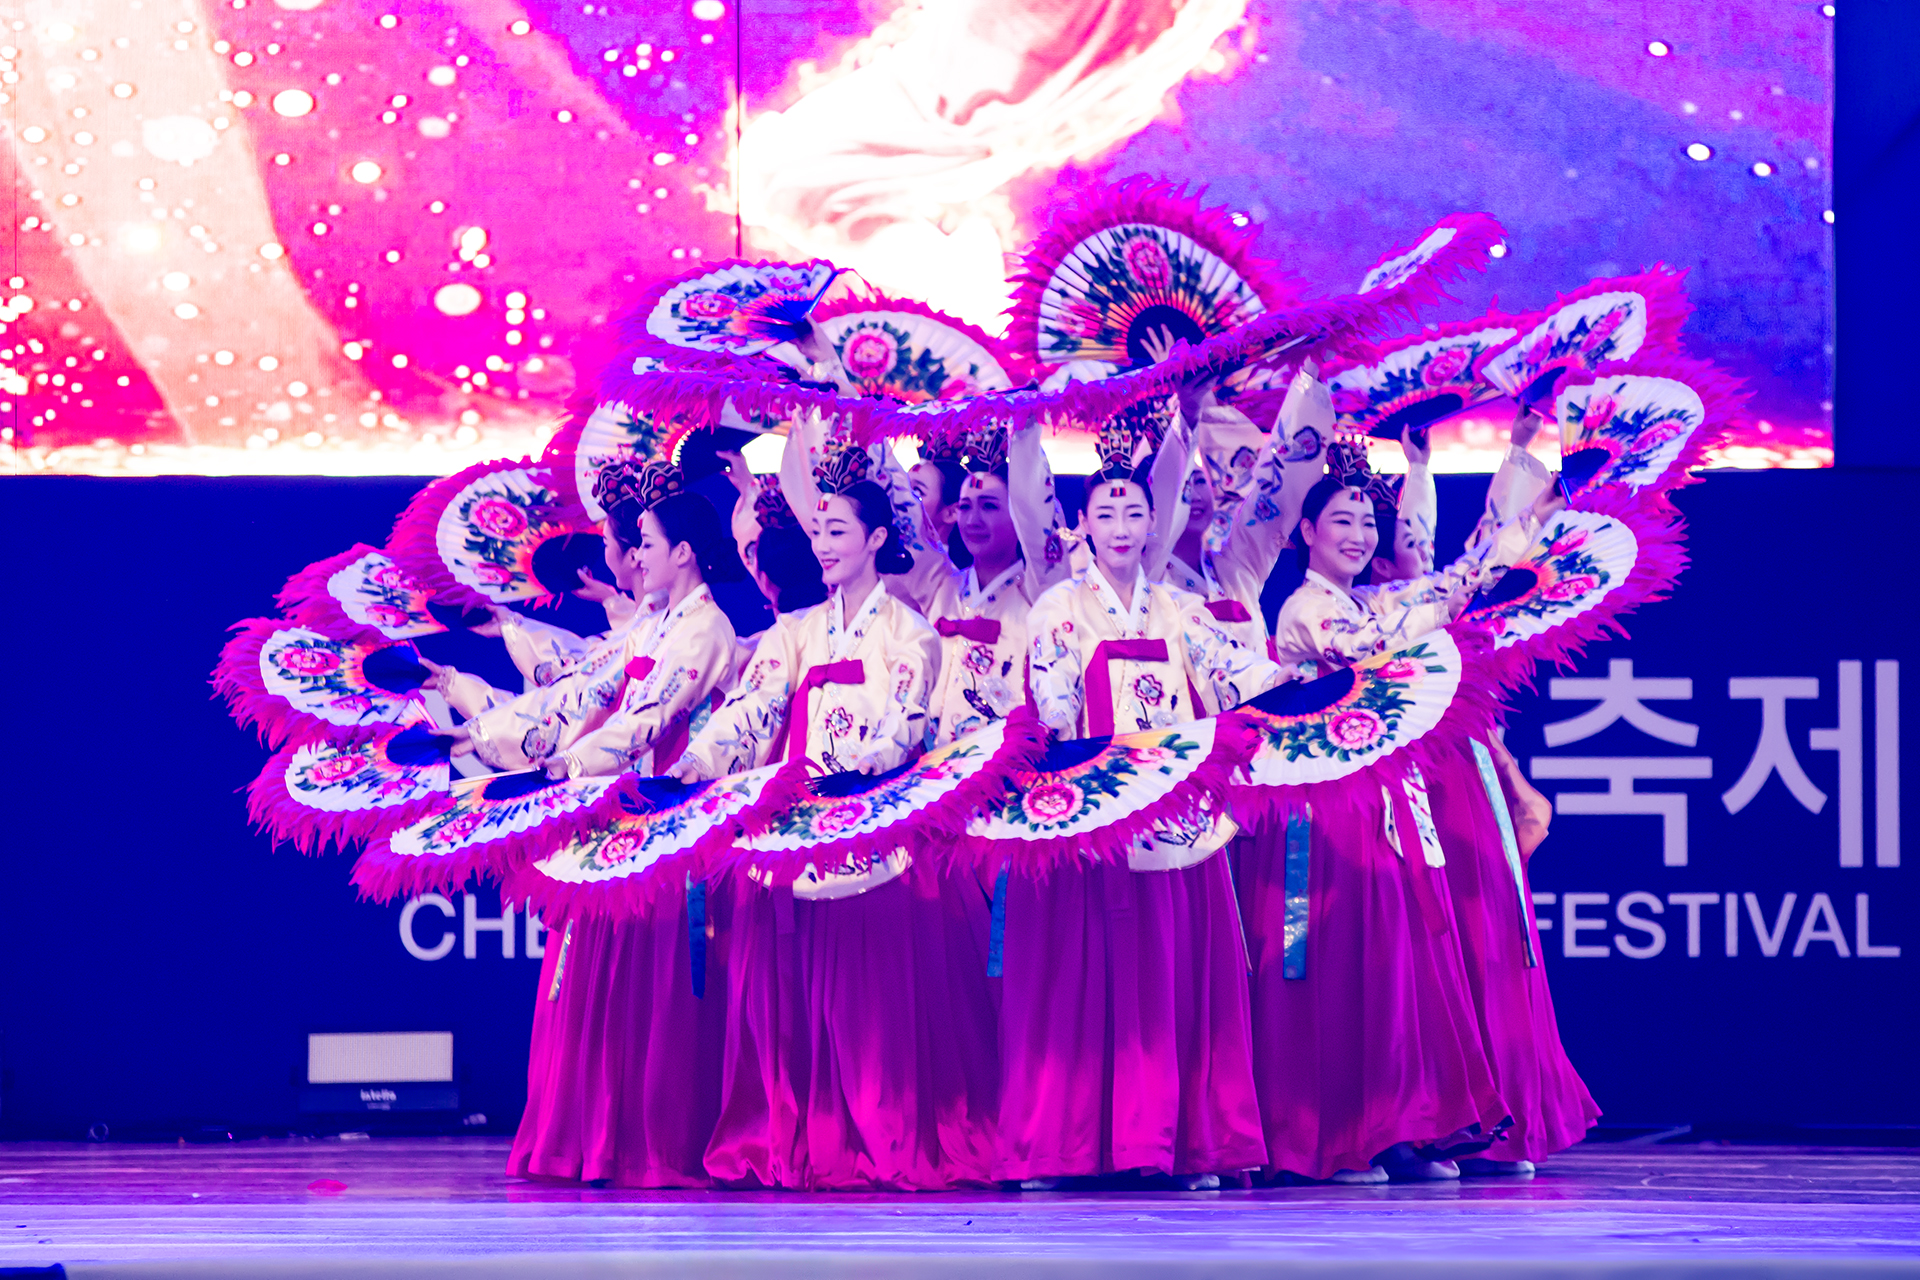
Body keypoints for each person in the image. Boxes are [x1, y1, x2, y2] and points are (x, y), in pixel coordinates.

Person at [670, 437, 1000, 1191]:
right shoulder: (793, 632)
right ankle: (803, 1133)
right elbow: (753, 709)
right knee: (788, 1001)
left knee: (872, 1006)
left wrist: (871, 768)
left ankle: (880, 1131)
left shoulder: (909, 631)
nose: (822, 545)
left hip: (876, 833)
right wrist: (702, 758)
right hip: (796, 834)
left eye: (838, 531)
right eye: (817, 531)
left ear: (877, 538)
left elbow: (905, 717)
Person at [1240, 449, 1560, 1185]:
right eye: (1341, 521)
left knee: (1393, 967)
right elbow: (1374, 650)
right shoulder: (1307, 608)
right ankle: (1331, 1135)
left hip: (1376, 802)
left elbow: (1448, 585)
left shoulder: (1369, 602)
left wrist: (1529, 526)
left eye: (1366, 523)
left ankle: (1396, 1127)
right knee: (1337, 963)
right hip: (1322, 813)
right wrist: (1438, 613)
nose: (1358, 535)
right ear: (1307, 532)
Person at [1000, 422, 1292, 1190]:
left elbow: (1235, 672)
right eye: (1106, 513)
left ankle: (1178, 1142)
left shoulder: (1181, 610)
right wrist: (1060, 744)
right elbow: (1052, 691)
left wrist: (1294, 684)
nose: (1122, 527)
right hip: (1094, 810)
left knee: (1172, 981)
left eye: (1134, 512)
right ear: (1084, 525)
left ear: (1153, 522)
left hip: (1174, 817)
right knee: (1082, 980)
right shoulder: (1059, 607)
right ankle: (1069, 1147)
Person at [486, 458, 746, 1189]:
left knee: (655, 986)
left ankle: (649, 1143)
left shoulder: (705, 630)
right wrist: (502, 739)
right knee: (598, 979)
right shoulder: (650, 625)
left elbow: (645, 721)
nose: (635, 557)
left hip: (673, 825)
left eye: (647, 544)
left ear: (683, 552)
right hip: (619, 815)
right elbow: (582, 693)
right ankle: (593, 1139)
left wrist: (569, 766)